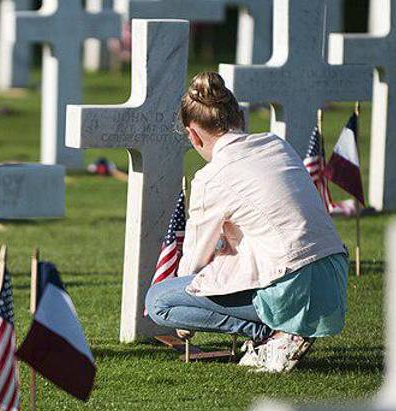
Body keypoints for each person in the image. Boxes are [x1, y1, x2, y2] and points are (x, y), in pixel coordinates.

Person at [145, 72, 349, 372]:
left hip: (292, 283)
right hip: (334, 276)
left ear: (193, 134)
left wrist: (185, 318)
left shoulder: (211, 177)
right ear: (238, 118)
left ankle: (270, 336)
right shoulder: (277, 145)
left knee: (160, 301)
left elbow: (194, 262)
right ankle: (279, 333)